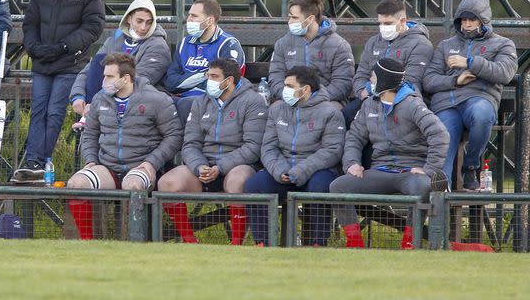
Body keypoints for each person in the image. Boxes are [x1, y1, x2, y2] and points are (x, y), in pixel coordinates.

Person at [330, 58, 449, 249]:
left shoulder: (413, 105)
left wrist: (429, 169)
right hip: (380, 169)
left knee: (424, 187)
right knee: (338, 186)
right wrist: (352, 163)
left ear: (384, 81)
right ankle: (354, 244)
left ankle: (410, 243)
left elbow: (440, 134)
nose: (369, 81)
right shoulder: (368, 104)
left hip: (410, 171)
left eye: (373, 77)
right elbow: (354, 138)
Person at [15, 0, 105, 181]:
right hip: (42, 61)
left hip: (69, 63)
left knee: (55, 112)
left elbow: (93, 27)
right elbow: (30, 23)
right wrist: (33, 47)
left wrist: (65, 46)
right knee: (38, 111)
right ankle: (33, 161)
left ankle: (41, 161)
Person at [66, 53, 182, 240]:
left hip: (140, 166)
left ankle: (135, 244)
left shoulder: (156, 99)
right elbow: (90, 134)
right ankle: (86, 244)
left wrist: (152, 162)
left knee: (133, 184)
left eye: (110, 77)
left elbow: (174, 136)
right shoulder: (99, 99)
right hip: (107, 166)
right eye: (104, 76)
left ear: (126, 78)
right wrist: (91, 160)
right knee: (76, 184)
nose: (104, 81)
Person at [158, 58, 266, 245]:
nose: (209, 80)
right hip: (204, 167)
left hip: (237, 166)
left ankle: (236, 244)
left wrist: (221, 167)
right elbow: (190, 143)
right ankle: (190, 242)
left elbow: (253, 147)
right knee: (167, 183)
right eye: (208, 76)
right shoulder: (200, 102)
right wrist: (200, 166)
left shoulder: (253, 101)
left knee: (237, 181)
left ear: (229, 80)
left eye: (214, 77)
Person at [423, 0, 518, 190]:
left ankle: (471, 166)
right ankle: (441, 190)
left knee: (482, 114)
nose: (466, 24)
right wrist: (455, 80)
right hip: (446, 104)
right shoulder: (445, 45)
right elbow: (429, 81)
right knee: (444, 135)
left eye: (472, 19)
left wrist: (471, 63)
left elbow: (505, 73)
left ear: (483, 20)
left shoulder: (503, 44)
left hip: (479, 99)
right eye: (463, 19)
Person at [244, 66, 344, 247]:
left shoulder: (330, 112)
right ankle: (263, 243)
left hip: (316, 170)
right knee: (255, 184)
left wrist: (300, 170)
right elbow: (268, 147)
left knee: (320, 186)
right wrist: (279, 170)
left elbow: (332, 151)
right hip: (282, 170)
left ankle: (318, 244)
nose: (284, 90)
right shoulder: (277, 109)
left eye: (289, 86)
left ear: (305, 89)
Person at [69, 0, 170, 119]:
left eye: (149, 22)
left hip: (138, 101)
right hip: (106, 99)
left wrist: (98, 102)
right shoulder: (114, 40)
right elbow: (88, 71)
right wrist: (78, 96)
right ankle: (87, 118)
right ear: (129, 18)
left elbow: (138, 80)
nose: (144, 27)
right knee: (98, 60)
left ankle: (90, 116)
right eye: (139, 21)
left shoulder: (158, 46)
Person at [343, 0, 433, 126]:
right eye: (380, 23)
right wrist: (362, 91)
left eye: (388, 23)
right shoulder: (373, 42)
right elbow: (361, 74)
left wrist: (377, 94)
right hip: (369, 97)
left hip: (400, 101)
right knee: (343, 117)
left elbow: (411, 81)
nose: (383, 28)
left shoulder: (421, 45)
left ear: (402, 21)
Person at [161, 0, 246, 123]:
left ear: (209, 20)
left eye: (194, 16)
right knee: (156, 103)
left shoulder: (228, 44)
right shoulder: (184, 43)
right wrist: (202, 76)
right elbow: (170, 82)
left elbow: (224, 84)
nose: (188, 19)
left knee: (186, 104)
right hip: (182, 97)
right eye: (189, 15)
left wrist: (186, 80)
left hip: (214, 101)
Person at [269, 0, 354, 106]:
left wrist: (313, 98)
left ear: (310, 19)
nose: (290, 22)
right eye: (290, 17)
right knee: (276, 108)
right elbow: (275, 77)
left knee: (334, 109)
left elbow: (342, 84)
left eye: (294, 17)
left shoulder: (339, 45)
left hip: (325, 102)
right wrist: (288, 95)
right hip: (291, 101)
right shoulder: (282, 43)